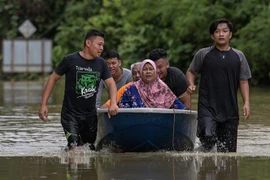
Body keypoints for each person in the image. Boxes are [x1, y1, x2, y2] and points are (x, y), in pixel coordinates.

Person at [38, 29, 119, 150]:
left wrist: (113, 103)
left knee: (89, 149)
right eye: (99, 44)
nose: (102, 48)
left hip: (90, 116)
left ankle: (79, 167)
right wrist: (43, 105)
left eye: (103, 45)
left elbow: (111, 84)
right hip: (70, 115)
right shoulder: (70, 60)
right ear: (88, 43)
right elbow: (53, 79)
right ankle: (72, 164)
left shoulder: (101, 64)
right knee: (75, 147)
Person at [186, 18, 252, 152]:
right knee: (208, 137)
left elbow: (243, 80)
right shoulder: (203, 54)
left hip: (230, 109)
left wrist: (246, 102)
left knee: (228, 152)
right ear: (212, 35)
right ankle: (206, 166)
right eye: (217, 31)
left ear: (230, 34)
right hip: (207, 106)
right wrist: (191, 84)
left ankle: (222, 172)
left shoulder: (239, 56)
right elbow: (191, 71)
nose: (221, 34)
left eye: (224, 31)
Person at [101, 59, 186, 109]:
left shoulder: (163, 88)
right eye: (145, 69)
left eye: (151, 69)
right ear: (141, 72)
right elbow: (122, 110)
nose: (148, 72)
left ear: (155, 72)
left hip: (160, 125)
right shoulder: (131, 88)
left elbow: (179, 107)